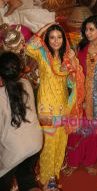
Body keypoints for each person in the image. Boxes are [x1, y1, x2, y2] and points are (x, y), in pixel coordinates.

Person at [26, 23, 85, 187]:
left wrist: (73, 61)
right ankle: (45, 179)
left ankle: (54, 175)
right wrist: (46, 27)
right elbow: (29, 47)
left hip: (62, 104)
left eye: (59, 37)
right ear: (47, 39)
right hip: (46, 105)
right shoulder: (42, 54)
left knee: (61, 140)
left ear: (64, 39)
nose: (56, 41)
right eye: (52, 37)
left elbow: (73, 82)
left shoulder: (67, 58)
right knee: (49, 142)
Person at [63, 15, 97, 176]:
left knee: (95, 131)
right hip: (81, 96)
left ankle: (89, 161)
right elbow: (74, 71)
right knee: (77, 130)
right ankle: (72, 162)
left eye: (92, 30)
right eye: (86, 29)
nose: (88, 33)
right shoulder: (81, 48)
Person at [0, 52, 43, 191]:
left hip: (16, 149)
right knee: (26, 178)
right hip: (35, 142)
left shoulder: (0, 95)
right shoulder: (26, 83)